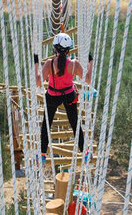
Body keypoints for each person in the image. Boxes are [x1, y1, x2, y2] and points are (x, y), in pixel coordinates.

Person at [34, 33, 93, 163]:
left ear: (55, 49)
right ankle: (85, 152)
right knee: (75, 123)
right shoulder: (74, 64)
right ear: (68, 50)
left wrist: (36, 64)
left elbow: (38, 82)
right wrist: (90, 63)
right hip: (69, 95)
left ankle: (42, 154)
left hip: (52, 96)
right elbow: (87, 79)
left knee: (46, 124)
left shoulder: (49, 64)